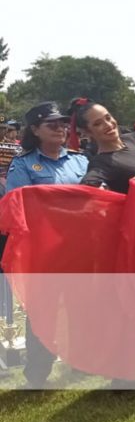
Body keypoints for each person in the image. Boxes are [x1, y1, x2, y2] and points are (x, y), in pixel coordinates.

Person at [5, 102, 89, 388]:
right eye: (52, 124)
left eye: (63, 123)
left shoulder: (80, 161)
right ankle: (38, 375)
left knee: (82, 307)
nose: (60, 128)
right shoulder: (24, 164)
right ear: (35, 130)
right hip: (45, 251)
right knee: (43, 312)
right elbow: (19, 206)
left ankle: (83, 361)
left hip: (80, 248)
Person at [73, 99, 135, 194]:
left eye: (108, 118)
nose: (108, 125)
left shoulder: (130, 139)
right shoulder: (101, 164)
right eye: (98, 124)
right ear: (87, 132)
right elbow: (83, 190)